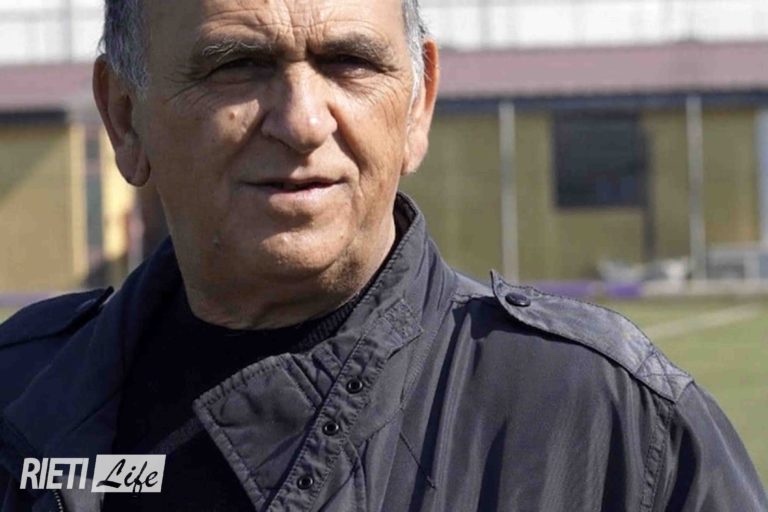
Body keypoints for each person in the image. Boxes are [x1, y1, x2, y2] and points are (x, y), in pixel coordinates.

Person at [0, 0, 766, 510]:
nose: (303, 122)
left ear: (418, 104)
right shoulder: (20, 402)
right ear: (125, 117)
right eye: (236, 65)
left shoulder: (612, 425)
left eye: (348, 62)